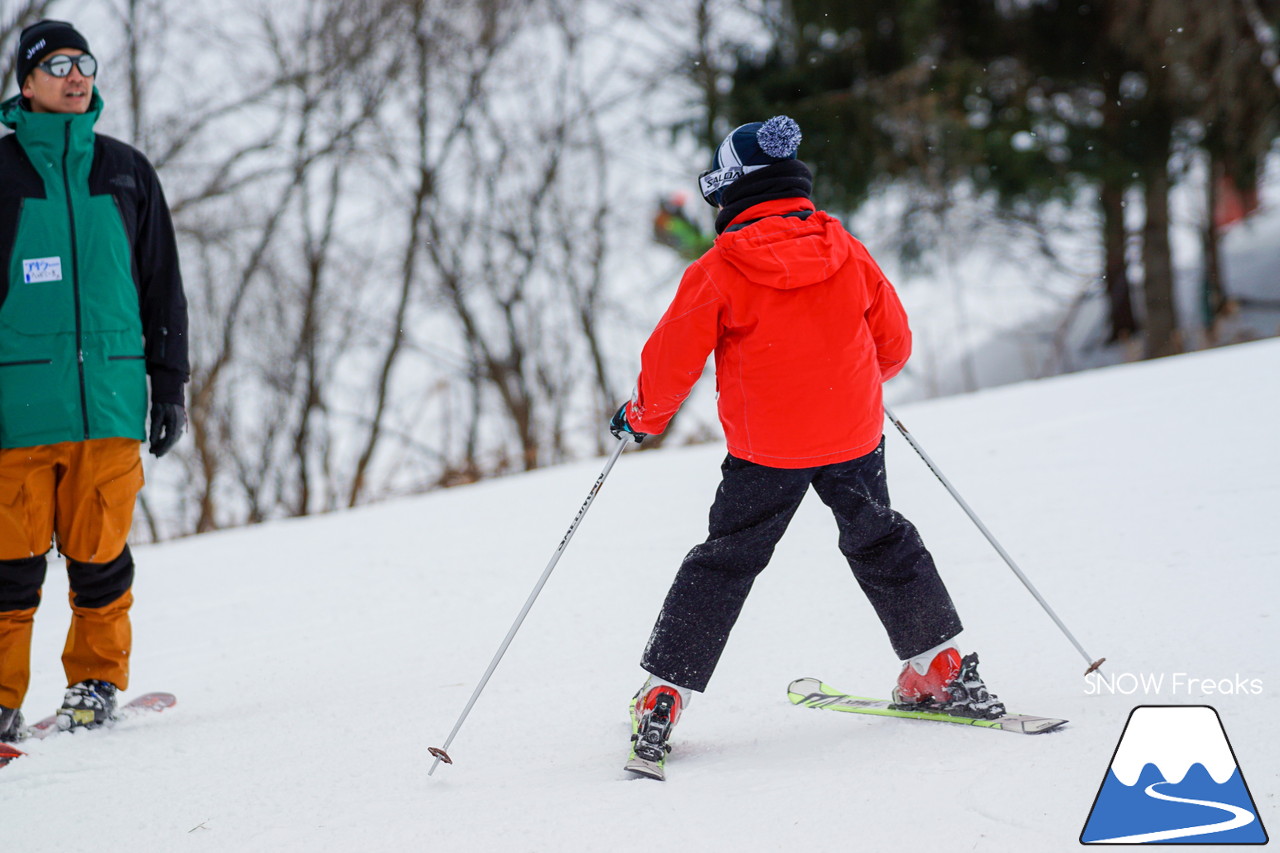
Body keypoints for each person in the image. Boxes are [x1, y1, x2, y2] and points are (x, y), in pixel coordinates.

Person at [611, 116, 1003, 771]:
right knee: (880, 538)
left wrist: (639, 418)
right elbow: (896, 342)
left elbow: (671, 360)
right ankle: (939, 663)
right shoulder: (846, 249)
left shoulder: (717, 269)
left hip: (766, 450)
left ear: (730, 190)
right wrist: (850, 384)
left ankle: (664, 696)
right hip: (853, 433)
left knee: (726, 562)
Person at [0, 20, 189, 742]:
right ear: (27, 83)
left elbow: (161, 285)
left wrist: (168, 384)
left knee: (101, 554)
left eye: (84, 62)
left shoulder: (126, 171)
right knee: (8, 567)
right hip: (17, 407)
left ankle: (95, 681)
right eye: (57, 65)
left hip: (109, 403)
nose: (77, 76)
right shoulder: (4, 176)